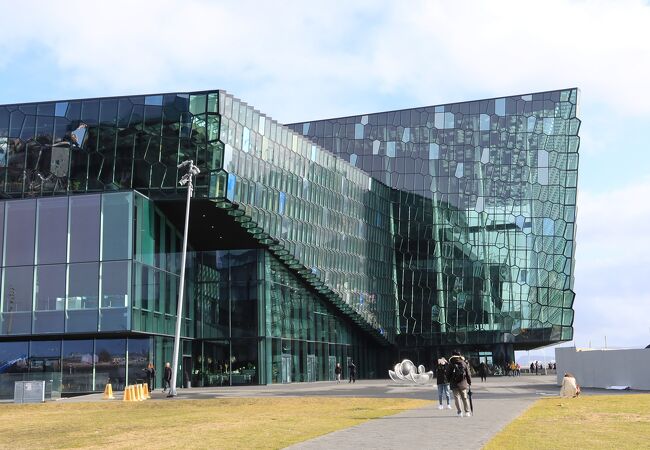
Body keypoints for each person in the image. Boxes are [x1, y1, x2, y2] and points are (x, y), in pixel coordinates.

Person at [446, 350, 472, 417]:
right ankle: (467, 412)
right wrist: (469, 382)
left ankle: (459, 412)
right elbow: (468, 374)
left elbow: (447, 374)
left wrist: (449, 381)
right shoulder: (463, 363)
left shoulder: (450, 364)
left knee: (457, 398)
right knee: (465, 398)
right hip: (463, 383)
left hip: (454, 383)